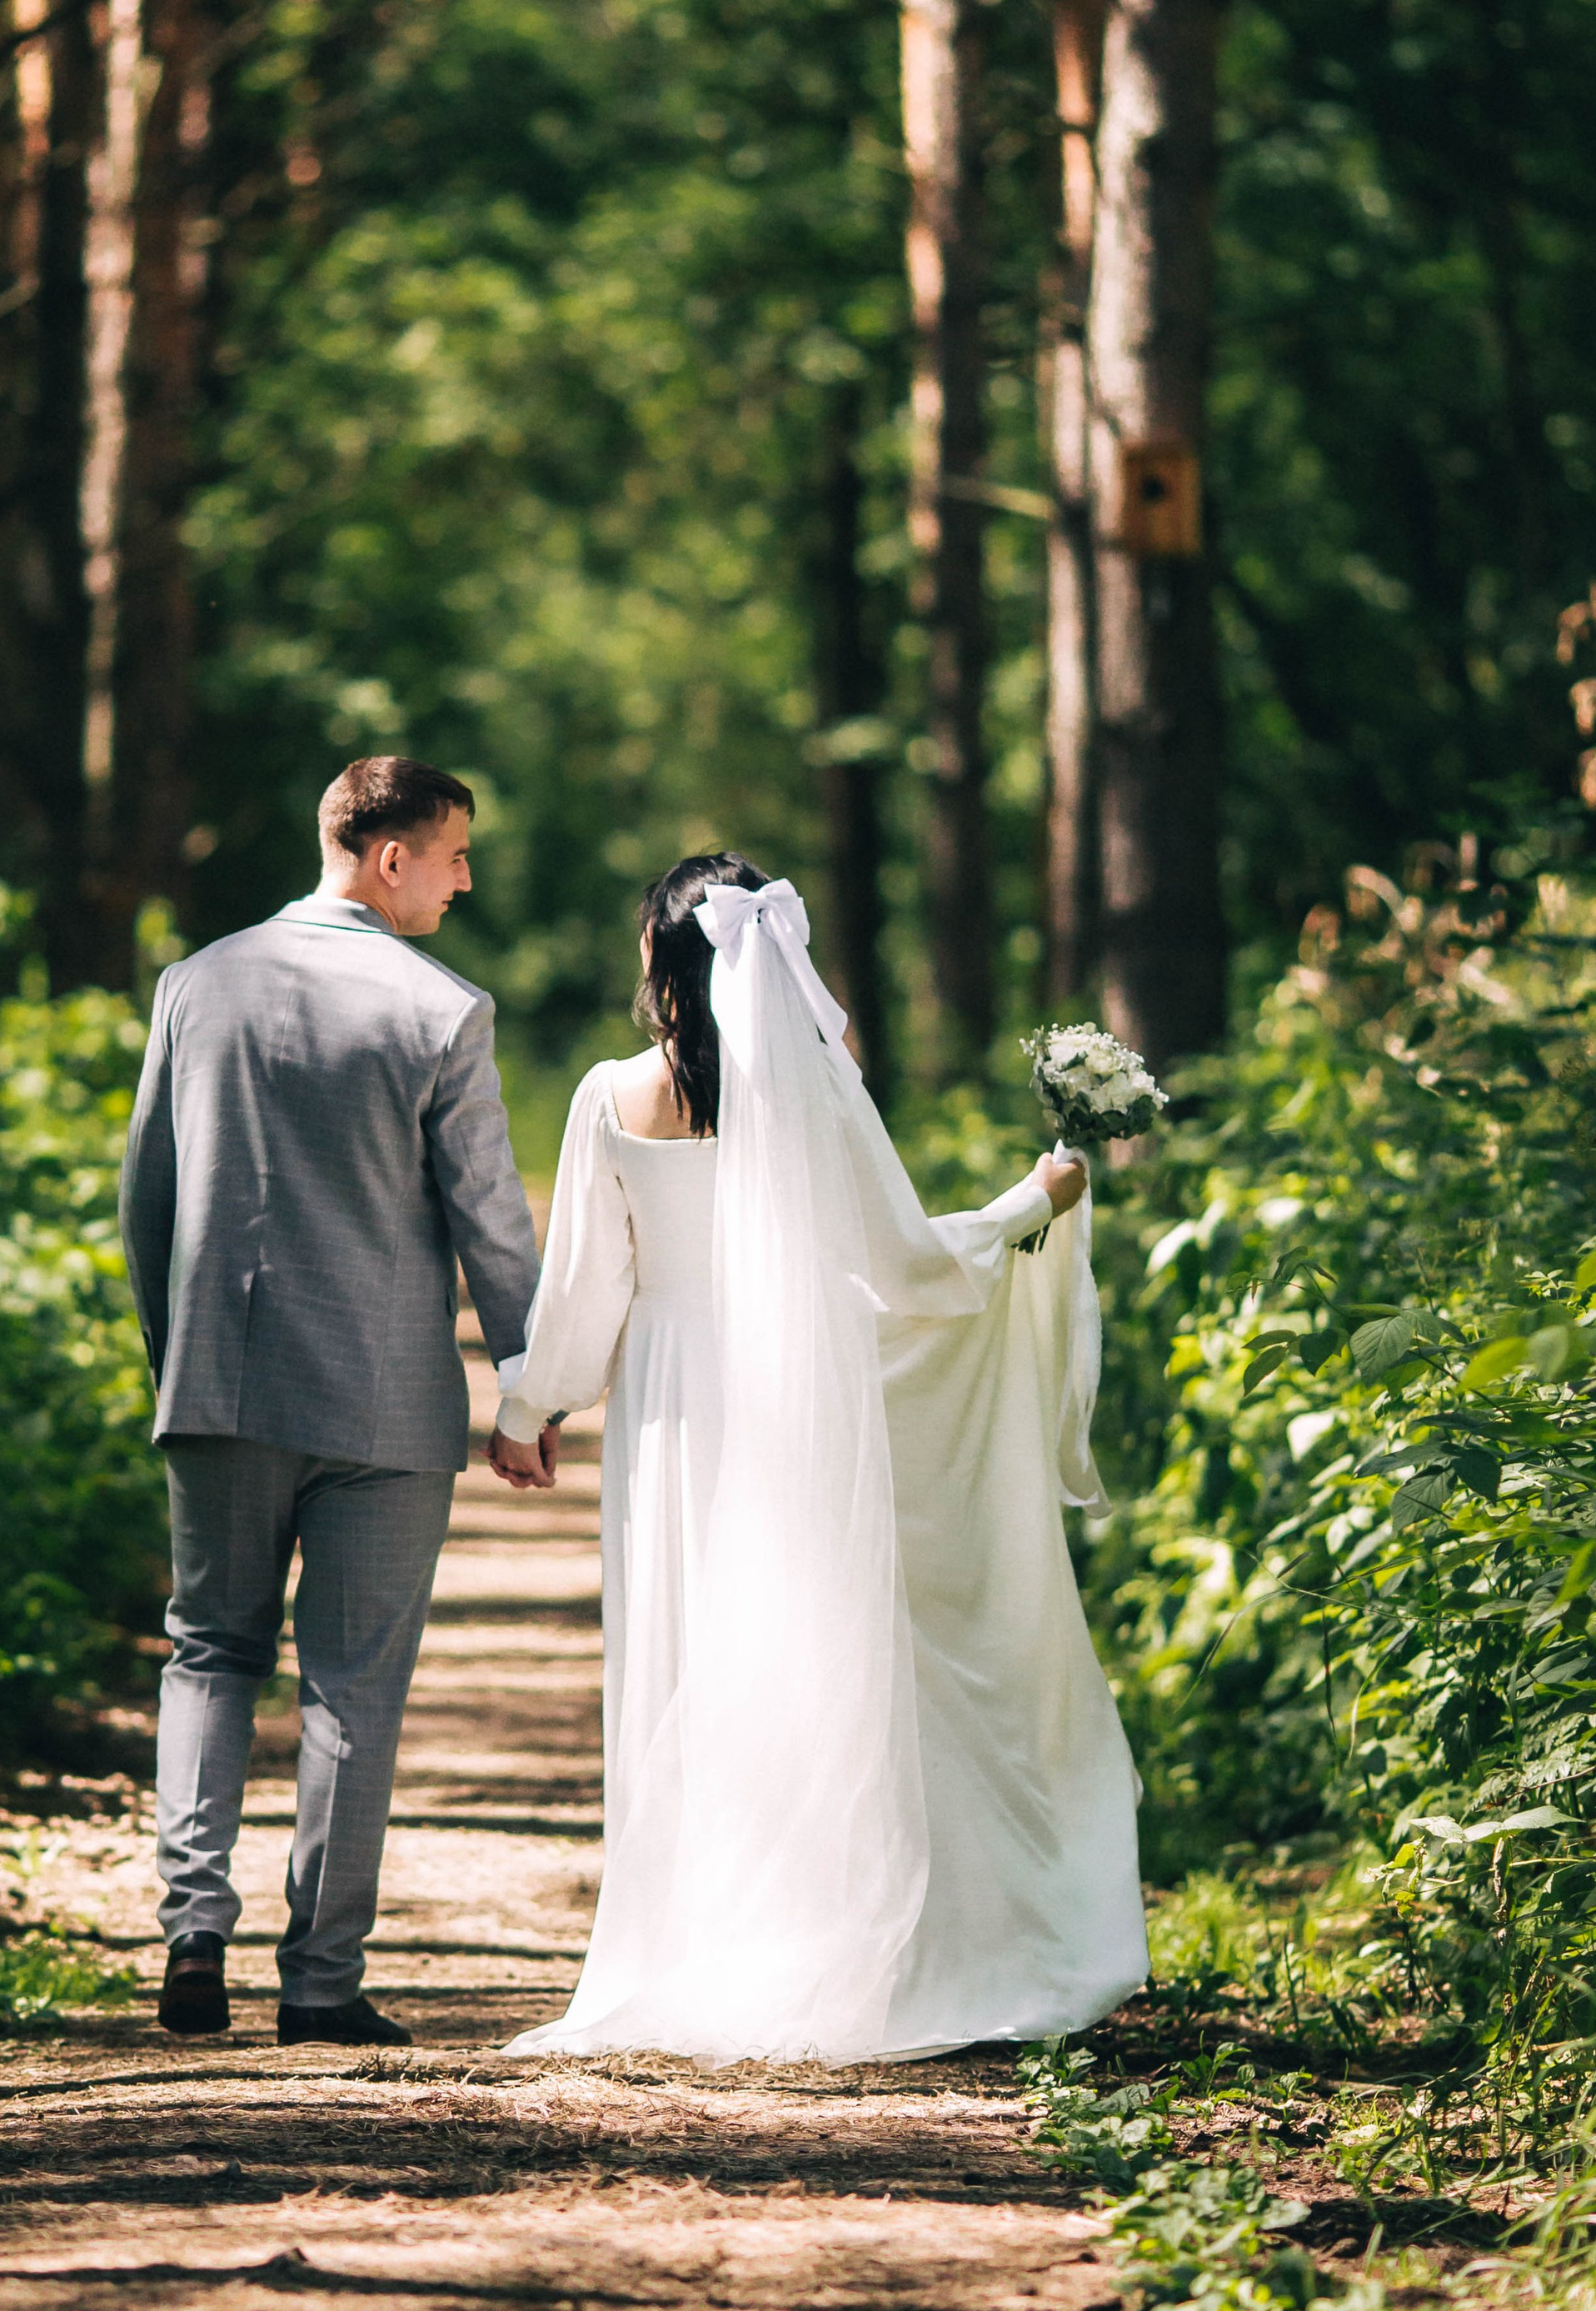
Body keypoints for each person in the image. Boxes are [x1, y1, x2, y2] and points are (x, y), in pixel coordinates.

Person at [487, 854, 1147, 2064]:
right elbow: (903, 1267)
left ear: (659, 962)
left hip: (680, 1404)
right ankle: (841, 1932)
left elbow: (587, 1286)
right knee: (824, 1643)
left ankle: (706, 1940)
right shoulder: (823, 1095)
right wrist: (1026, 1204)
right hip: (806, 1390)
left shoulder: (608, 1097)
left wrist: (530, 1405)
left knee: (692, 1645)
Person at [120, 756, 540, 2044]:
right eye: (455, 853)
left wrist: (177, 1354)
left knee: (210, 1651)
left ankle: (195, 1932)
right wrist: (530, 1383)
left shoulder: (197, 985)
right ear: (389, 857)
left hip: (222, 1383)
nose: (467, 877)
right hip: (382, 1405)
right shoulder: (442, 1011)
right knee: (355, 1687)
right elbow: (491, 1223)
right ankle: (320, 1986)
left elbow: (148, 1199)